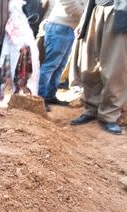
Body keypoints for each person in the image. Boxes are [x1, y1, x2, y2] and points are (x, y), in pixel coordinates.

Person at [69, 0, 126, 135]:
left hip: (121, 11)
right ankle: (91, 108)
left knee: (115, 68)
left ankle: (109, 115)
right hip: (96, 9)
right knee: (89, 66)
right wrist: (84, 20)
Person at [38, 0, 86, 112]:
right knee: (50, 66)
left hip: (68, 28)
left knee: (60, 66)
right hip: (59, 26)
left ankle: (50, 96)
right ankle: (40, 98)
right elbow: (68, 2)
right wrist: (85, 13)